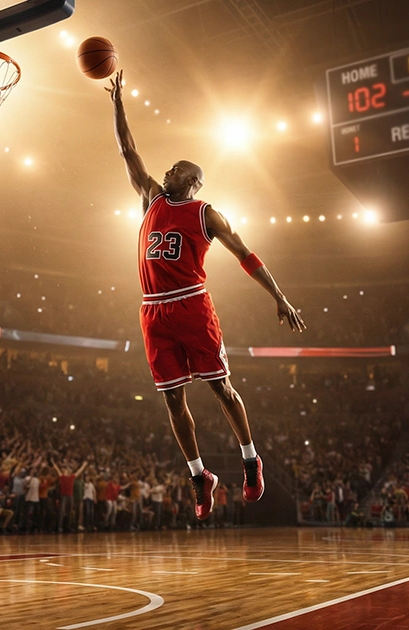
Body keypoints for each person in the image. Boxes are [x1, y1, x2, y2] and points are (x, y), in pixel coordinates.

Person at [105, 70, 306, 522]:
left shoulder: (206, 214)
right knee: (172, 399)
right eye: (170, 168)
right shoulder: (151, 199)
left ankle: (250, 459)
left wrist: (280, 297)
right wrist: (117, 104)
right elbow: (128, 151)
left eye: (178, 169)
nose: (167, 170)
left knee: (221, 388)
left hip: (193, 304)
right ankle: (200, 476)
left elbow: (246, 254)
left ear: (193, 181)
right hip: (153, 311)